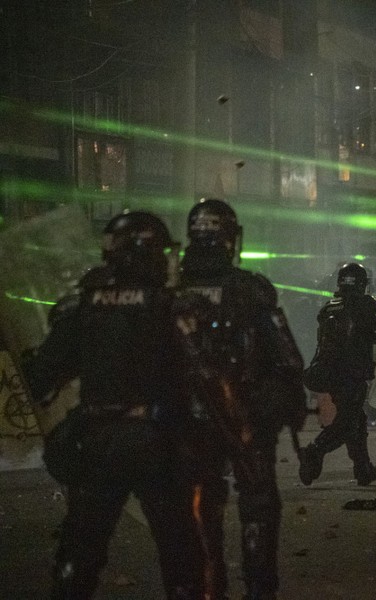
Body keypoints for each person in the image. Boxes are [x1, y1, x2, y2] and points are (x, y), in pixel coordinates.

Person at [22, 211, 203, 599]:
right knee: (180, 551)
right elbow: (201, 374)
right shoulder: (171, 306)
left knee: (80, 550)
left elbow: (42, 377)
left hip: (98, 438)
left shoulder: (83, 303)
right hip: (158, 439)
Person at [179, 198, 307, 600]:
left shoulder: (167, 290)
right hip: (244, 414)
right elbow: (286, 355)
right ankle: (258, 589)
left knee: (198, 503)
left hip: (186, 417)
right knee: (258, 502)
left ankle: (207, 588)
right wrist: (286, 402)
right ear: (230, 239)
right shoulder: (249, 289)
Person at [297, 262, 376, 486]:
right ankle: (315, 450)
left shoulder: (329, 307)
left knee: (356, 419)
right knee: (347, 422)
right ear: (362, 283)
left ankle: (362, 468)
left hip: (328, 372)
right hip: (351, 373)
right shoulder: (367, 304)